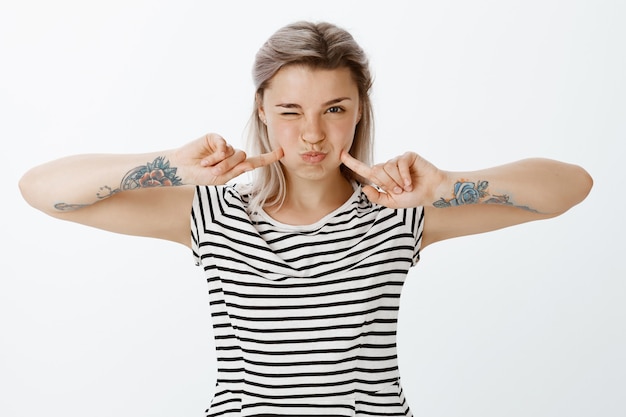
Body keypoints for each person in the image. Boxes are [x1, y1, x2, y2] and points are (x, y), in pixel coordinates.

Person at [19, 20, 592, 417]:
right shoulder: (210, 214)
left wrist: (448, 187)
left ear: (358, 112)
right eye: (290, 111)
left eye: (333, 110)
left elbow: (569, 188)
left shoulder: (400, 215)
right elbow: (42, 190)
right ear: (262, 114)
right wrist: (165, 166)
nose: (313, 134)